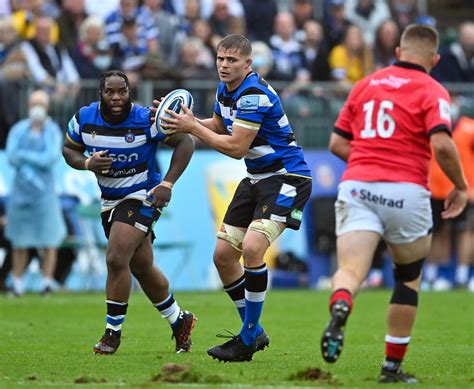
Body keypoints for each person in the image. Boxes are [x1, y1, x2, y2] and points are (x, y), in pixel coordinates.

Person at [320, 24, 468, 383]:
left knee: (352, 269)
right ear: (434, 59)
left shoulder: (365, 84)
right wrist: (460, 186)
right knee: (408, 277)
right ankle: (391, 367)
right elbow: (444, 145)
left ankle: (341, 302)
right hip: (406, 191)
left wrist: (371, 157)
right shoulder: (433, 89)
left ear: (398, 52)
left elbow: (336, 143)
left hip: (358, 186)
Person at [160, 34, 312, 362]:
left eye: (232, 61)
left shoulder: (253, 94)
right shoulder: (225, 90)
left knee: (254, 249)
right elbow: (218, 124)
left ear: (248, 64)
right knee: (224, 256)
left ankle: (246, 338)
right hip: (257, 179)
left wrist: (192, 128)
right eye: (220, 59)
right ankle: (252, 330)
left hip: (288, 177)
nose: (224, 65)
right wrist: (181, 123)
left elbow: (235, 147)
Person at [62, 70, 196, 355]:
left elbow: (186, 142)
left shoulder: (147, 119)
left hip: (143, 196)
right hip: (110, 201)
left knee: (115, 257)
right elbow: (68, 149)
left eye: (121, 91)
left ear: (129, 93)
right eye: (110, 92)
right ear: (100, 94)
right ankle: (179, 320)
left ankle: (113, 333)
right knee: (141, 266)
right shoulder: (84, 119)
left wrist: (167, 183)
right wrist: (87, 163)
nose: (116, 97)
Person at [5, 89, 67, 296]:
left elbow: (49, 158)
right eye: (34, 104)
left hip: (44, 196)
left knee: (49, 240)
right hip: (20, 195)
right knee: (19, 241)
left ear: (47, 107)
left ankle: (46, 283)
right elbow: (11, 156)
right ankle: (17, 283)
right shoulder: (18, 129)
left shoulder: (52, 131)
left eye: (41, 104)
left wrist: (25, 156)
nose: (37, 109)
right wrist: (32, 156)